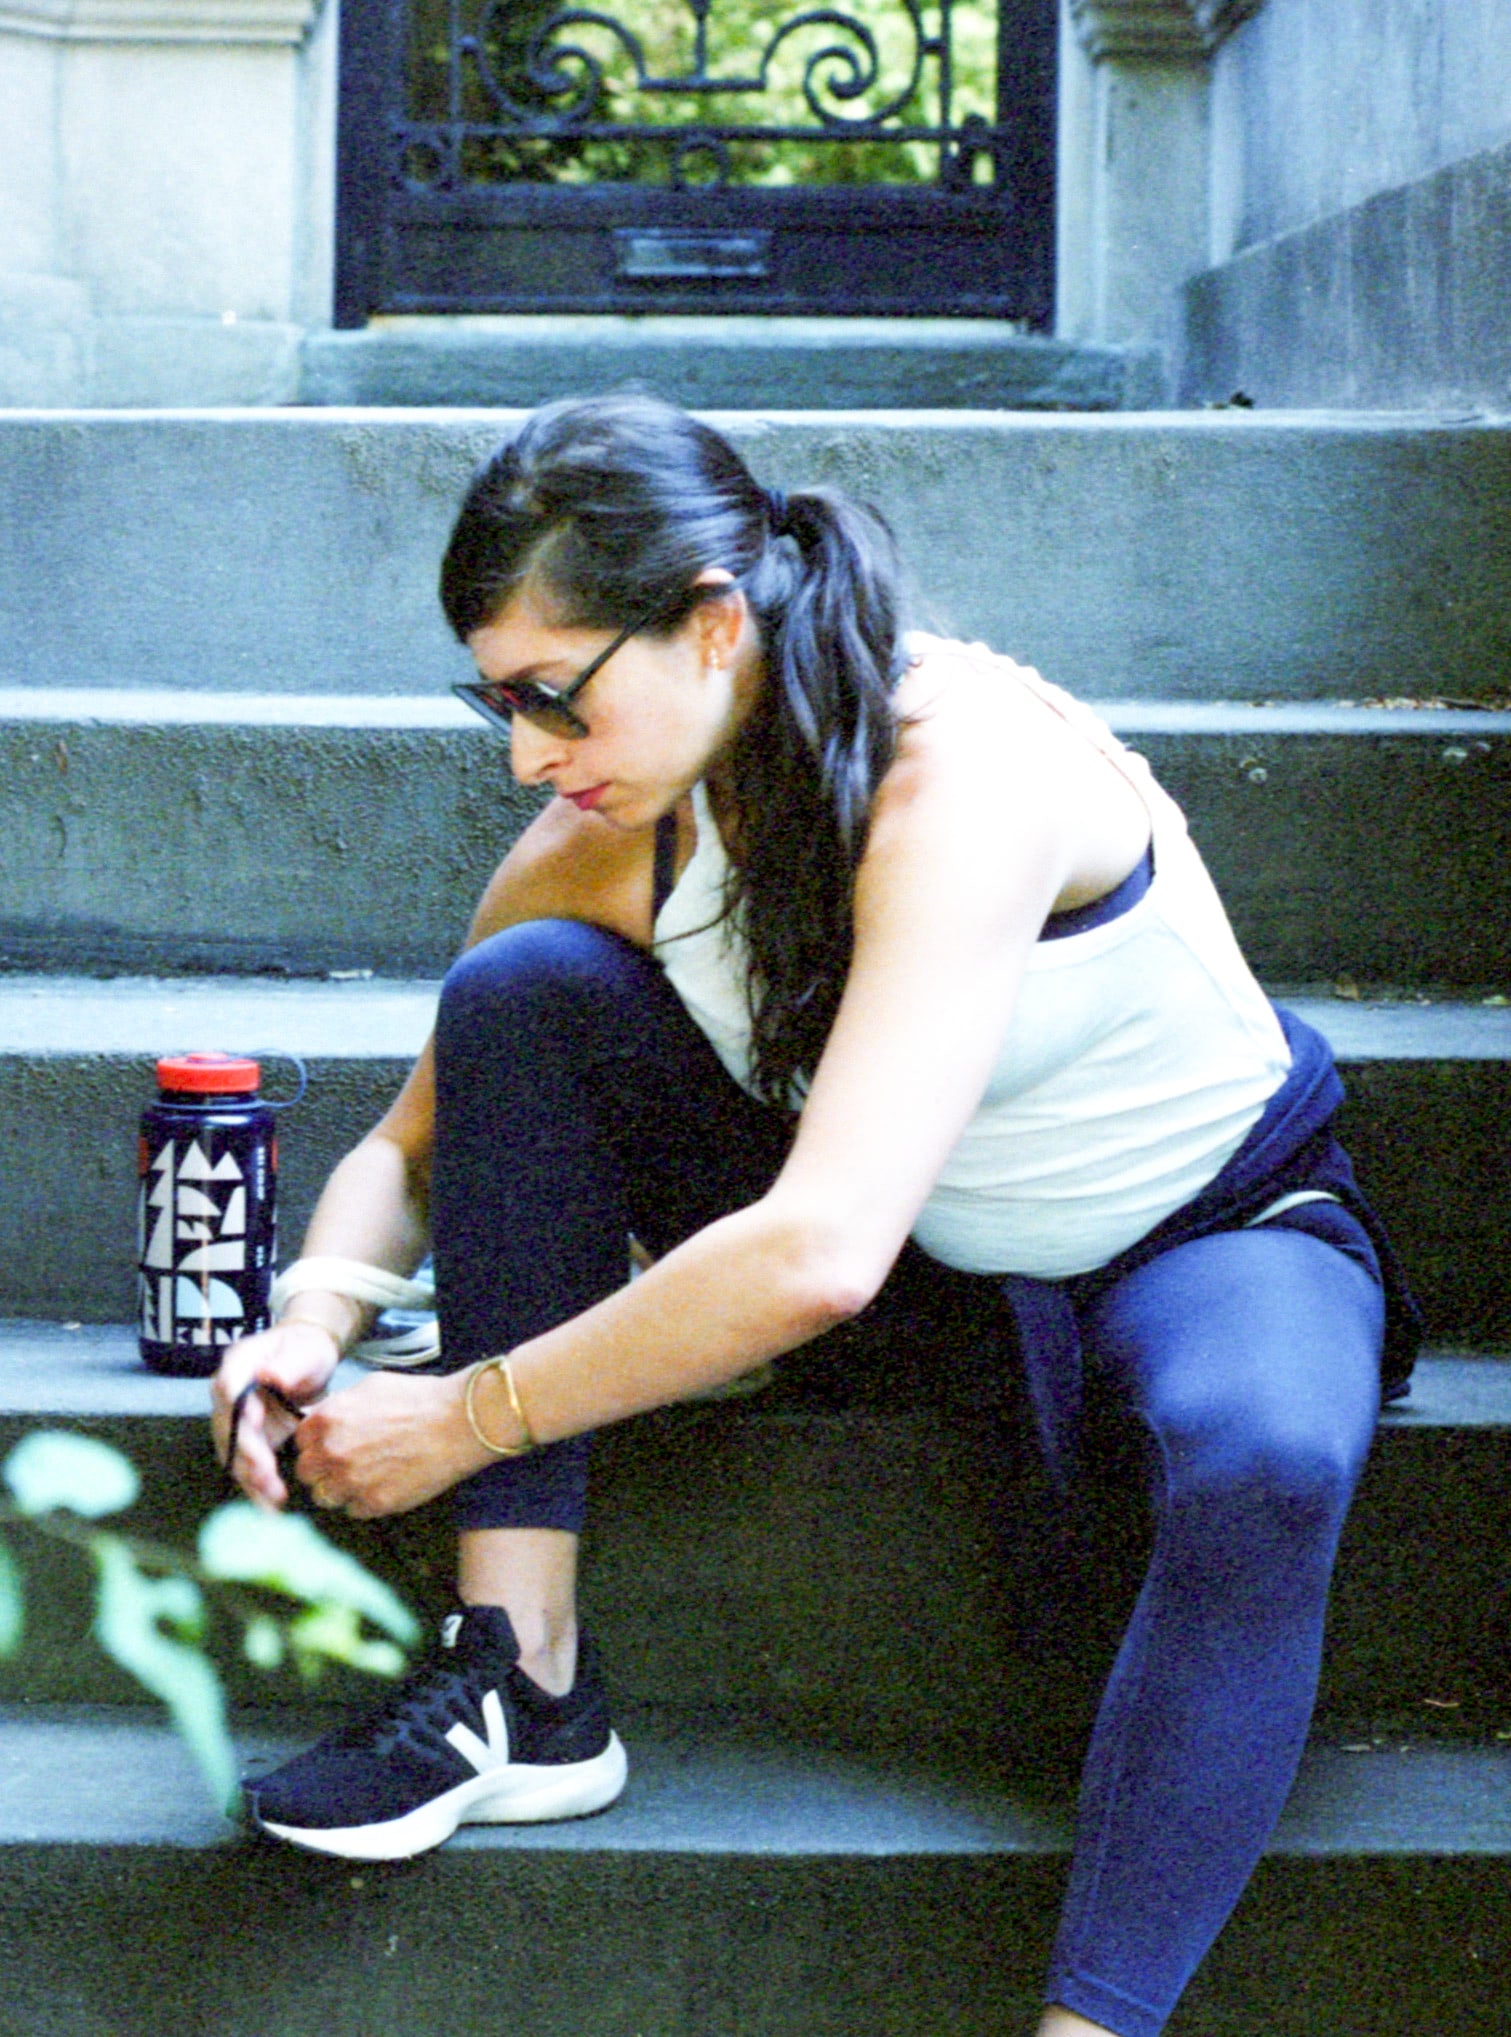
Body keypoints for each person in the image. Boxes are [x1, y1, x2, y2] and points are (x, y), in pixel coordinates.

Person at [212, 393, 1416, 2037]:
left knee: (1271, 1456)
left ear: (713, 623)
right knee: (522, 994)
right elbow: (411, 1146)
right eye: (494, 701)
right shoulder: (614, 829)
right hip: (928, 1261)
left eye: (552, 697)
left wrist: (462, 1412)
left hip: (1195, 1232)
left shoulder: (962, 770)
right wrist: (312, 1320)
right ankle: (525, 1675)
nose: (525, 755)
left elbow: (821, 1247)